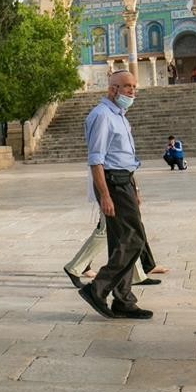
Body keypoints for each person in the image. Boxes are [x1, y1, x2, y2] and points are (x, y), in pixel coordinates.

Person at [75, 70, 153, 320]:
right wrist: (105, 196)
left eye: (134, 86)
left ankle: (124, 300)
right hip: (113, 184)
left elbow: (126, 158)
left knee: (122, 242)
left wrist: (135, 187)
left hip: (125, 182)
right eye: (127, 86)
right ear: (113, 89)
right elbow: (96, 160)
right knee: (134, 239)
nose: (132, 91)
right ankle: (97, 289)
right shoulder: (102, 116)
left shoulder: (120, 116)